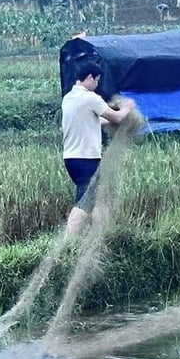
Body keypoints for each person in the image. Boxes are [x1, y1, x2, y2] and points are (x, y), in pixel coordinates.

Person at [61, 59, 136, 235]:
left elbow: (93, 122)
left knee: (92, 196)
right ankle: (67, 240)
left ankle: (98, 233)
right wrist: (126, 108)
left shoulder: (69, 98)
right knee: (86, 199)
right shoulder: (90, 98)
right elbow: (117, 118)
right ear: (89, 77)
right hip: (87, 158)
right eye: (97, 80)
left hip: (71, 158)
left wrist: (110, 118)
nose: (97, 84)